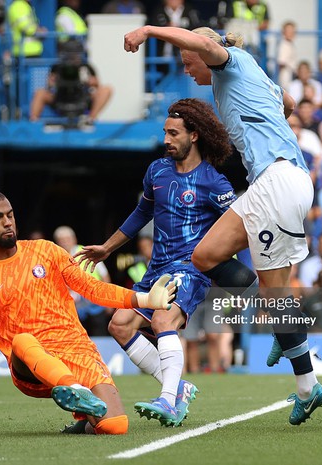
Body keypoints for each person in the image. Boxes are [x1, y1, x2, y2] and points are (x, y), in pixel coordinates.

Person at [123, 25, 322, 425]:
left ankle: (288, 344)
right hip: (288, 181)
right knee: (218, 260)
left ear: (208, 52)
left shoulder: (227, 64)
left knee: (251, 284)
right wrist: (265, 125)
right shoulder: (250, 70)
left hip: (277, 181)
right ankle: (307, 384)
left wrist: (148, 30)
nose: (187, 69)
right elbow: (285, 101)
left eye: (187, 61)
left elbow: (203, 44)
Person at [0, 191, 177, 438]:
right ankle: (74, 389)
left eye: (10, 215)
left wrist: (143, 299)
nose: (7, 222)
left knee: (115, 426)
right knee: (22, 340)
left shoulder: (46, 250)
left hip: (76, 350)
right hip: (30, 366)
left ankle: (84, 417)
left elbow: (91, 287)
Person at [75, 99, 247, 427]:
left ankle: (167, 399)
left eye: (173, 133)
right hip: (157, 269)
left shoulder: (213, 181)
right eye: (164, 132)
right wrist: (108, 248)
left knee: (162, 322)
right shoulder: (157, 171)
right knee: (119, 325)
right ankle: (176, 388)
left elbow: (238, 226)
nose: (166, 139)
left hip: (190, 269)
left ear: (194, 135)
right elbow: (142, 212)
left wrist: (227, 262)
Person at [29, 39, 112, 125]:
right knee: (40, 92)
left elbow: (97, 85)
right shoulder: (57, 67)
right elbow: (49, 86)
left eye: (75, 54)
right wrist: (53, 82)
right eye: (70, 54)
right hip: (60, 98)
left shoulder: (86, 67)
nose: (73, 57)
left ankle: (91, 119)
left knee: (106, 89)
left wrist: (89, 81)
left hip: (81, 99)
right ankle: (33, 122)